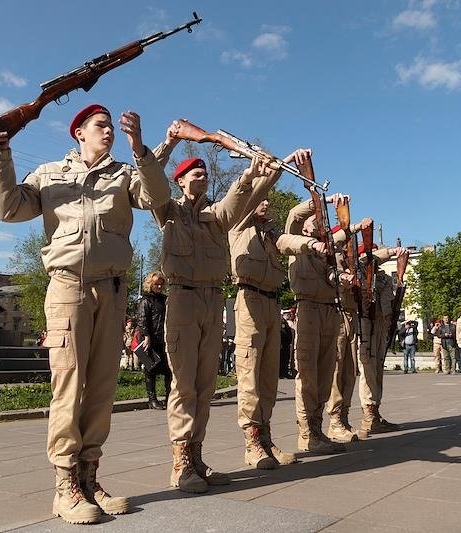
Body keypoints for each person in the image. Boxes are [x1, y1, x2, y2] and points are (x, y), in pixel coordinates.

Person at [0, 103, 170, 523]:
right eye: (100, 126)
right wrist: (0, 154)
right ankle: (64, 484)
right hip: (68, 288)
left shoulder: (124, 173)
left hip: (114, 289)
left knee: (103, 386)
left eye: (110, 126)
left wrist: (141, 148)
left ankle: (89, 477)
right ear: (79, 133)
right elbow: (9, 208)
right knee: (69, 385)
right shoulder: (50, 175)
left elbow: (158, 197)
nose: (108, 131)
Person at [150, 121, 273, 493]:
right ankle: (180, 464)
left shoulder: (215, 215)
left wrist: (251, 172)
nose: (202, 174)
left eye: (204, 170)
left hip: (212, 299)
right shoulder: (167, 210)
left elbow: (236, 202)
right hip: (182, 299)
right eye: (195, 171)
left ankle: (197, 459)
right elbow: (150, 181)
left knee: (205, 385)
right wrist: (168, 143)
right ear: (181, 180)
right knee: (184, 385)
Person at [227, 149, 321, 470]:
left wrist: (312, 244)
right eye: (263, 200)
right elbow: (258, 192)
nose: (267, 203)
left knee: (268, 376)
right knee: (250, 373)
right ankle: (251, 441)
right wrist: (280, 166)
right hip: (249, 299)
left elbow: (287, 242)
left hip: (270, 302)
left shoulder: (268, 233)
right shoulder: (239, 222)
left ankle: (266, 437)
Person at [284, 194, 354, 454]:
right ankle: (307, 433)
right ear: (305, 226)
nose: (320, 223)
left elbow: (329, 271)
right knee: (308, 374)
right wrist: (319, 201)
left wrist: (341, 278)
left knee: (325, 373)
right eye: (315, 221)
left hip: (329, 309)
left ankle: (317, 428)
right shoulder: (295, 240)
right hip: (308, 307)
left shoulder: (325, 249)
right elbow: (293, 215)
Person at [326, 216, 373, 444]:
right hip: (336, 315)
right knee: (335, 371)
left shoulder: (350, 259)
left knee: (349, 370)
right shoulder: (330, 254)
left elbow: (375, 256)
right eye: (346, 239)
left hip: (350, 315)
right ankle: (334, 421)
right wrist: (341, 278)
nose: (349, 244)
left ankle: (343, 417)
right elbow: (329, 274)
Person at [356, 244, 408, 437]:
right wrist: (391, 252)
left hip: (380, 324)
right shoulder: (359, 270)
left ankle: (375, 412)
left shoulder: (384, 278)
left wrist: (389, 320)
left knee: (377, 369)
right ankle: (368, 415)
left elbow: (388, 302)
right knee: (368, 369)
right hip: (365, 322)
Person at [135, 271, 171, 410]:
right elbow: (142, 319)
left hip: (165, 338)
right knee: (151, 370)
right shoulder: (146, 300)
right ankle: (152, 399)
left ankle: (169, 398)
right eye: (157, 284)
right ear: (151, 284)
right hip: (150, 339)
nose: (160, 286)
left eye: (162, 284)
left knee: (169, 370)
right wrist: (146, 336)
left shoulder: (164, 299)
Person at [280, 309, 294, 379]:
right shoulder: (282, 322)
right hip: (283, 344)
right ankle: (282, 373)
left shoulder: (285, 322)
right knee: (283, 359)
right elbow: (282, 333)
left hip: (286, 344)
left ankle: (284, 372)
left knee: (286, 359)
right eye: (287, 314)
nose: (289, 315)